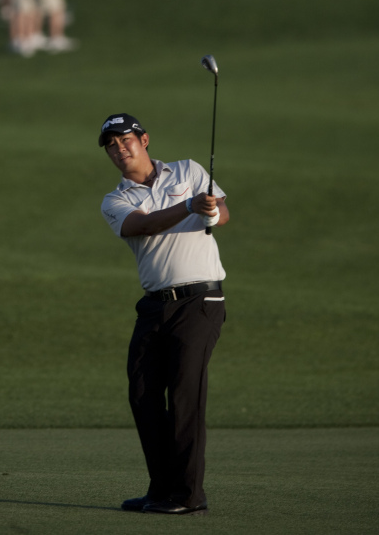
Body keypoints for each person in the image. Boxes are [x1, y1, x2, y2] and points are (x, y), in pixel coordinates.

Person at [99, 113, 229, 516]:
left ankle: (188, 495)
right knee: (142, 393)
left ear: (145, 139)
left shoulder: (188, 170)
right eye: (111, 145)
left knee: (186, 395)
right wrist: (189, 205)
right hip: (155, 305)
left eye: (126, 140)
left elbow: (222, 214)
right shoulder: (116, 200)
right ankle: (162, 489)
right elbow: (146, 225)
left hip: (200, 301)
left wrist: (208, 211)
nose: (120, 149)